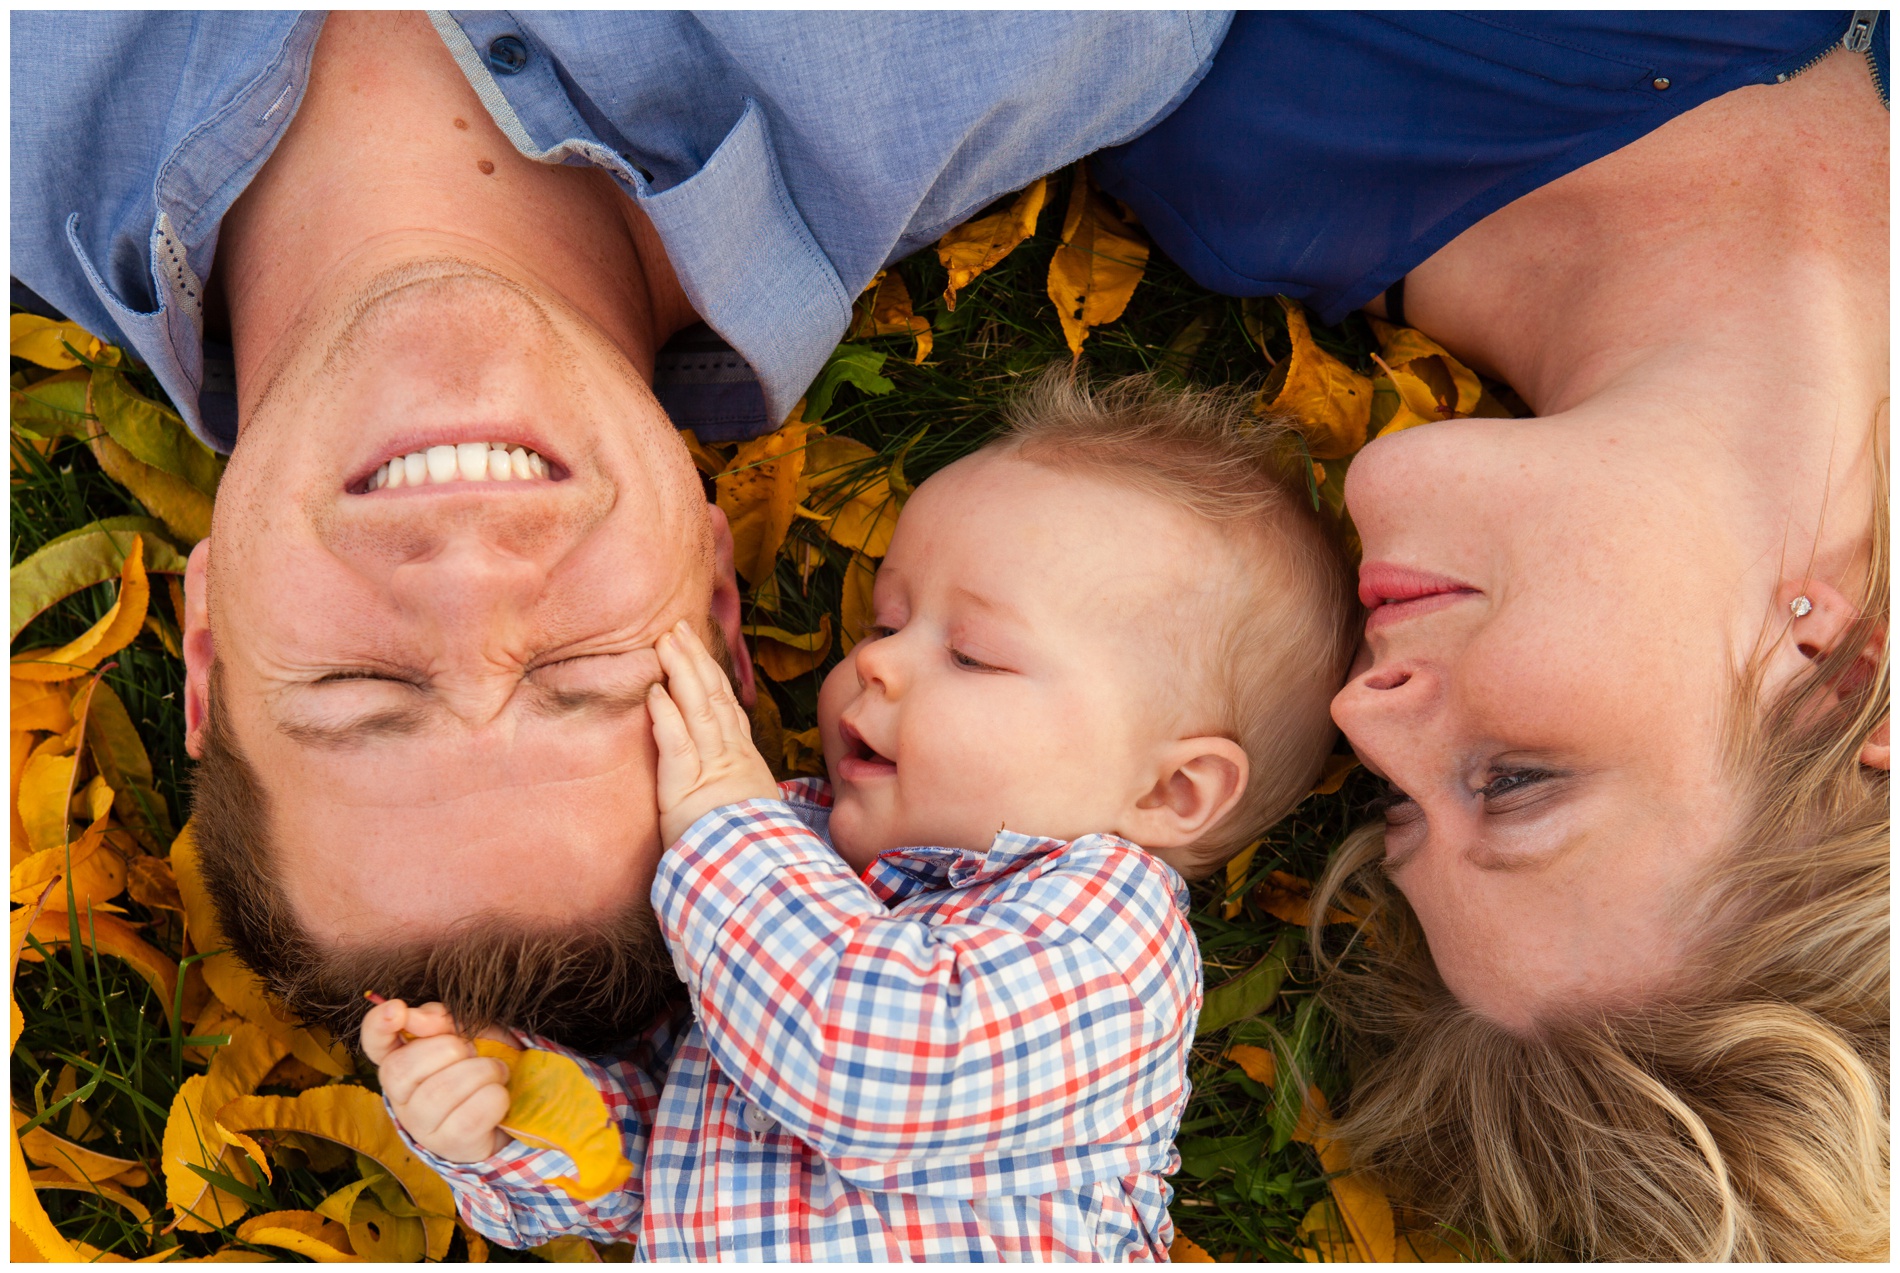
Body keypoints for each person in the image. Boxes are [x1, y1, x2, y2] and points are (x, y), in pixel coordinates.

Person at [8, 10, 1232, 1050]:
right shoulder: (1027, 40)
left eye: (358, 686)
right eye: (586, 676)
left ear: (209, 643)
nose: (467, 569)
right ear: (713, 604)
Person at [1095, 11, 1890, 1260]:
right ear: (1835, 687)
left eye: (1400, 810)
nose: (1359, 715)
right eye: (1512, 784)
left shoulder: (1265, 154)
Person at [358, 376, 1356, 1260]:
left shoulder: (1108, 934)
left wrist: (723, 825)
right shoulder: (791, 882)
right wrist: (510, 1121)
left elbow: (861, 1071)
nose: (874, 661)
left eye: (971, 654)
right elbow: (675, 1150)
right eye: (885, 623)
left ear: (1169, 792)